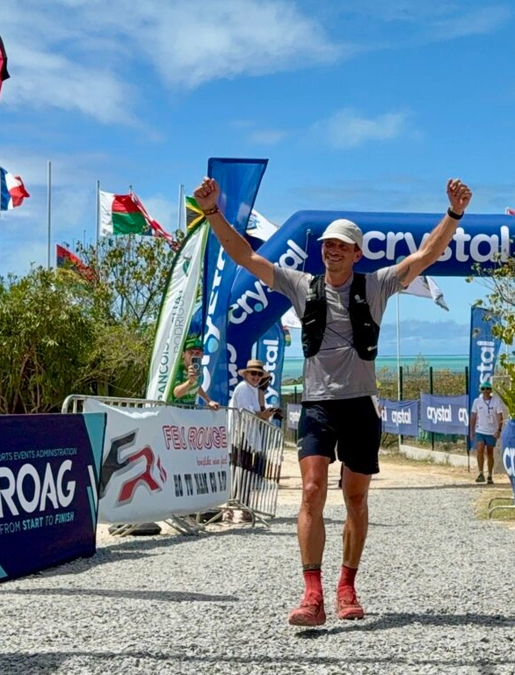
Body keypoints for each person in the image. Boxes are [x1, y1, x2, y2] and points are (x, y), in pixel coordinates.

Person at [194, 175, 472, 626]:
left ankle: (347, 586)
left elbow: (425, 256)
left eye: (342, 246)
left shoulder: (377, 286)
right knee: (311, 492)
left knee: (356, 500)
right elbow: (244, 255)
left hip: (361, 406)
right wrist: (211, 211)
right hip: (319, 405)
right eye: (327, 245)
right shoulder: (302, 286)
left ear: (357, 253)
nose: (332, 250)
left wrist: (454, 213)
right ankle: (312, 594)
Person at [469, 382, 506, 484]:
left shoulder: (496, 401)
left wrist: (498, 430)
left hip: (492, 431)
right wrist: (471, 431)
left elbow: (500, 416)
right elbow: (473, 416)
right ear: (481, 390)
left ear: (491, 390)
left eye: (488, 388)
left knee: (490, 452)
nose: (486, 391)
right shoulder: (477, 401)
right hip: (480, 430)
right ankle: (481, 473)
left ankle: (490, 475)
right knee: (480, 449)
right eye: (483, 388)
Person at [172, 336, 221, 410]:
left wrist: (208, 400)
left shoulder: (197, 368)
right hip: (173, 414)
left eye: (197, 353)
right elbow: (176, 393)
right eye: (191, 352)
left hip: (189, 413)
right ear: (183, 355)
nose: (194, 355)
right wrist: (189, 382)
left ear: (202, 355)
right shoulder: (177, 369)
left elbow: (196, 385)